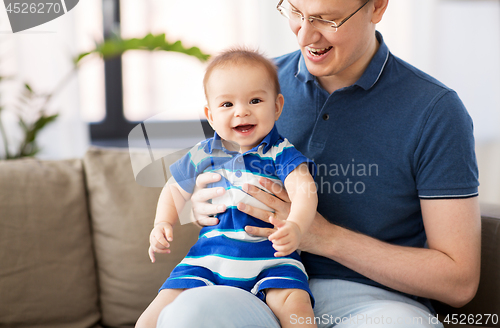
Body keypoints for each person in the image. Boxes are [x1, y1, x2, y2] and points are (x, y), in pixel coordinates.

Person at [156, 0, 481, 328]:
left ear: (378, 7)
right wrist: (203, 203)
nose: (304, 35)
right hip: (252, 288)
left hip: (373, 303)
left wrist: (323, 236)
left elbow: (459, 282)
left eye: (327, 20)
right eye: (295, 12)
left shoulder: (435, 111)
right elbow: (204, 169)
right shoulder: (254, 87)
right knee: (189, 314)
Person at [135, 49, 319, 328]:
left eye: (255, 100)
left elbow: (304, 188)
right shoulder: (204, 152)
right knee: (149, 320)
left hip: (271, 260)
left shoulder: (280, 152)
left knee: (297, 309)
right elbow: (174, 189)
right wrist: (162, 222)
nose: (241, 111)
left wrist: (296, 225)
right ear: (210, 115)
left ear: (277, 106)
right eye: (227, 104)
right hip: (208, 259)